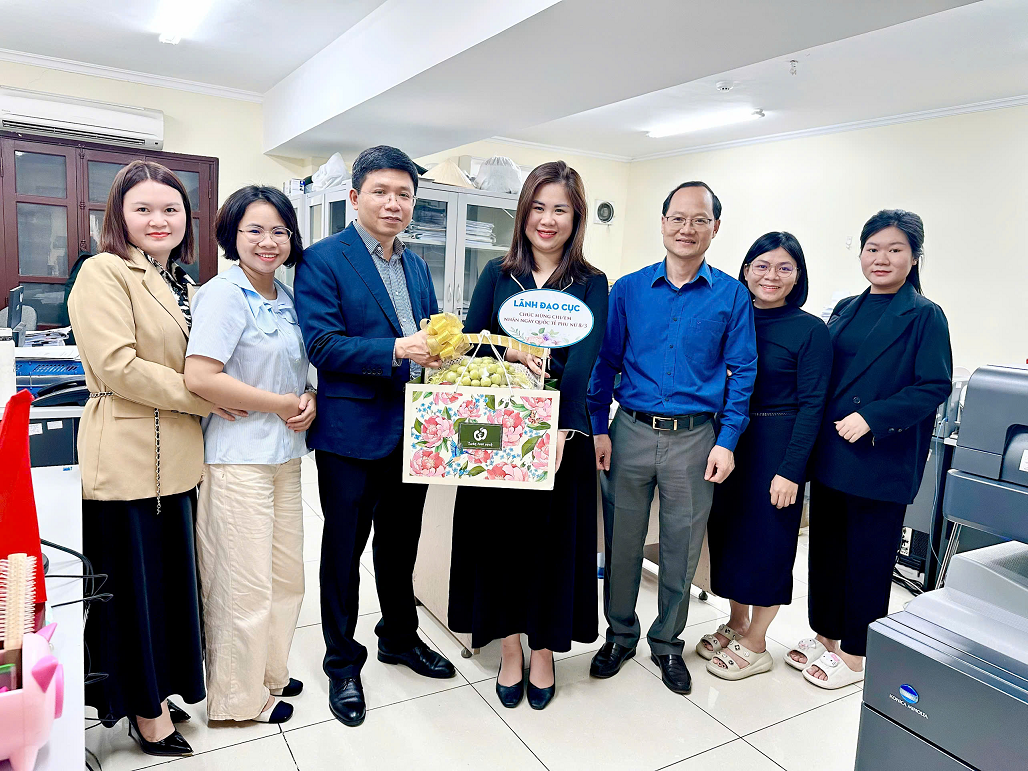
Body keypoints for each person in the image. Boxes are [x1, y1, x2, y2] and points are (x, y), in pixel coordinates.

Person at [68, 160, 243, 758]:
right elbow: (118, 366)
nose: (158, 219)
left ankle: (159, 690)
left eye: (171, 209)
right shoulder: (103, 271)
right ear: (119, 215)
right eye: (142, 208)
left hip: (179, 461)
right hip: (126, 456)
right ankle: (143, 712)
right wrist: (206, 397)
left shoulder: (182, 283)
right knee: (132, 593)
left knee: (166, 588)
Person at [294, 145, 456, 729]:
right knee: (344, 551)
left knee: (400, 545)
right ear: (354, 196)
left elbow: (431, 335)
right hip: (350, 434)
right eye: (381, 192)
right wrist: (398, 349)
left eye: (404, 194)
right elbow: (323, 345)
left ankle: (399, 637)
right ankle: (341, 661)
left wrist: (445, 353)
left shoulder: (416, 265)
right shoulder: (322, 260)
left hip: (412, 430)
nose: (394, 203)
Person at [447, 161, 608, 710]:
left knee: (549, 549)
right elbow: (469, 343)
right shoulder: (497, 274)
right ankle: (510, 648)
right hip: (497, 435)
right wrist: (509, 350)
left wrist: (561, 427)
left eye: (560, 209)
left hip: (560, 440)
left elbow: (583, 365)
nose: (547, 219)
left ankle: (543, 651)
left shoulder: (590, 283)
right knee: (498, 545)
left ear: (576, 218)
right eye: (538, 207)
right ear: (523, 213)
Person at [586, 181, 757, 694]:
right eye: (678, 218)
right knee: (621, 543)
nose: (687, 228)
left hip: (695, 439)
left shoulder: (732, 296)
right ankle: (619, 636)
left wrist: (727, 439)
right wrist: (599, 427)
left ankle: (666, 643)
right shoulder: (628, 289)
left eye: (699, 220)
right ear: (663, 223)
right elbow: (605, 361)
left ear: (715, 228)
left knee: (681, 548)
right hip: (630, 431)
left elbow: (743, 372)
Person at [787, 209, 952, 689]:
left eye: (895, 249)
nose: (881, 258)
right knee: (827, 550)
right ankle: (826, 635)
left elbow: (933, 385)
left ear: (914, 257)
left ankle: (857, 651)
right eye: (872, 248)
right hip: (833, 450)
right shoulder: (846, 307)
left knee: (868, 557)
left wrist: (873, 418)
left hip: (879, 456)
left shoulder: (925, 314)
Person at [183, 186, 315, 724]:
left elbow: (295, 369)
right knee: (243, 581)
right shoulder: (223, 294)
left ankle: (270, 673)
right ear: (232, 236)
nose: (268, 241)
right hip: (236, 458)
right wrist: (282, 403)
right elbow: (201, 376)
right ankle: (237, 699)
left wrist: (308, 398)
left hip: (284, 455)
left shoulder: (286, 296)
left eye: (279, 231)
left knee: (285, 576)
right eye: (254, 230)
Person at [700, 232, 832, 680]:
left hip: (778, 443)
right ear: (745, 270)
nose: (771, 276)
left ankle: (757, 641)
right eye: (761, 265)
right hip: (729, 439)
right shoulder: (732, 317)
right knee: (730, 537)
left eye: (783, 268)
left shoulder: (810, 330)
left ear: (797, 276)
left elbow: (813, 406)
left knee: (769, 542)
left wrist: (791, 470)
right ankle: (737, 622)